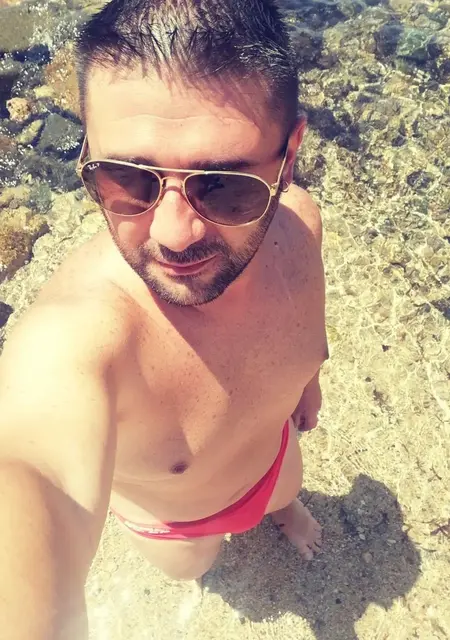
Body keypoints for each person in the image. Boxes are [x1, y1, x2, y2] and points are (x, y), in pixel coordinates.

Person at [0, 0, 328, 637]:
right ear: (89, 151)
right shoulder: (78, 342)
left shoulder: (302, 223)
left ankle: (285, 514)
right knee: (193, 567)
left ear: (289, 155)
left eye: (224, 184)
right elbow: (31, 471)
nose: (174, 236)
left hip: (273, 458)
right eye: (128, 178)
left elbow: (306, 331)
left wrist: (307, 381)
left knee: (287, 494)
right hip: (177, 525)